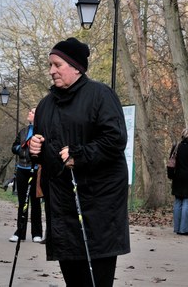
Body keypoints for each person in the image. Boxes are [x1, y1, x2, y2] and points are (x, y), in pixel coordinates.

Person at [28, 37, 130, 287]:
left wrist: (80, 154)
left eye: (57, 65)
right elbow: (46, 154)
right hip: (62, 209)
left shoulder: (100, 95)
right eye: (50, 65)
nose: (51, 71)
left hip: (98, 209)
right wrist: (35, 149)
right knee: (73, 281)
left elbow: (115, 139)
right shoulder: (45, 105)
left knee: (96, 281)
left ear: (76, 67)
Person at [9, 108, 43, 243]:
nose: (29, 113)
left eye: (33, 112)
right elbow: (14, 147)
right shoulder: (23, 131)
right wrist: (21, 148)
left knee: (35, 202)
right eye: (30, 111)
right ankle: (20, 232)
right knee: (22, 202)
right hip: (21, 169)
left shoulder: (41, 131)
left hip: (35, 169)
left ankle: (37, 233)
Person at [169, 128, 188, 236]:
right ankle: (184, 229)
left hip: (177, 178)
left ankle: (177, 228)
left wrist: (171, 176)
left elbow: (171, 163)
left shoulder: (176, 147)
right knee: (186, 203)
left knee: (178, 202)